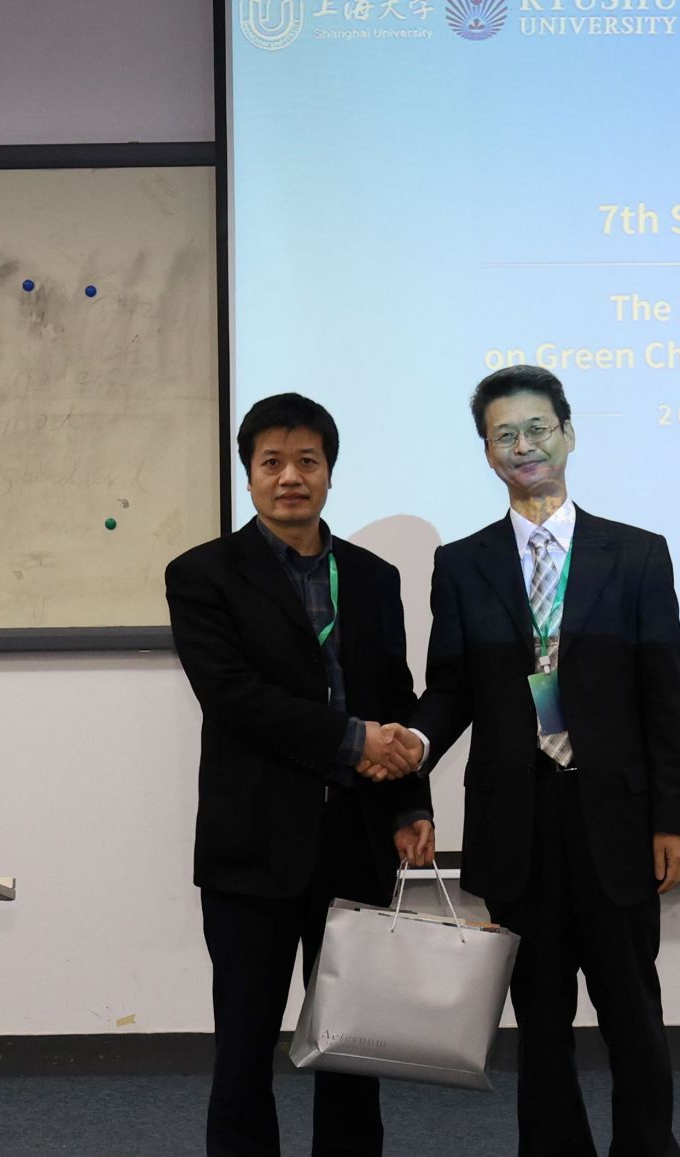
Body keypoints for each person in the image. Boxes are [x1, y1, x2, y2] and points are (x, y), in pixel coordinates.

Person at [409, 365, 680, 1156]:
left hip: (616, 820)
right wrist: (415, 746)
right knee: (537, 1019)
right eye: (504, 434)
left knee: (632, 1010)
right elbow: (451, 687)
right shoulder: (463, 564)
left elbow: (662, 697)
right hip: (517, 823)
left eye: (537, 428)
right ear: (487, 452)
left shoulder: (636, 555)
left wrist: (671, 819)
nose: (523, 445)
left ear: (567, 434)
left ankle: (648, 1147)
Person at [165, 392, 434, 1157]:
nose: (291, 476)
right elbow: (234, 696)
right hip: (252, 846)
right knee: (244, 1049)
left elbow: (395, 693)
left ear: (329, 472)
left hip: (355, 841)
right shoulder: (202, 575)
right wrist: (354, 739)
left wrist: (409, 803)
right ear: (249, 474)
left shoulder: (373, 577)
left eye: (307, 461)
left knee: (353, 1049)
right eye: (272, 461)